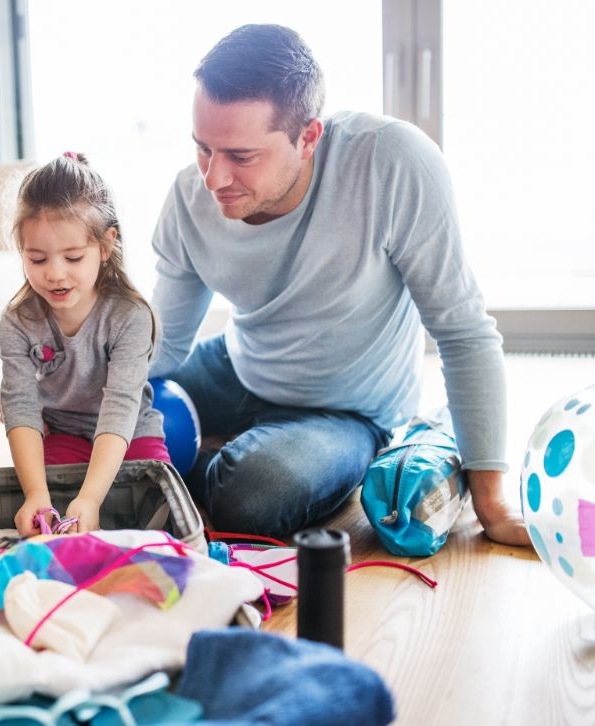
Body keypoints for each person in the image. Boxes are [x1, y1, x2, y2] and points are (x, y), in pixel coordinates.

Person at [150, 24, 528, 545]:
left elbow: (462, 332)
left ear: (307, 137)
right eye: (202, 149)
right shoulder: (191, 197)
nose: (213, 178)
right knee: (100, 411)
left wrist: (492, 501)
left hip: (347, 407)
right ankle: (224, 452)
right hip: (243, 362)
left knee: (251, 498)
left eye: (240, 156)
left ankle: (273, 457)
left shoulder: (392, 163)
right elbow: (164, 343)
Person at [0, 153, 170, 536]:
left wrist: (91, 498)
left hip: (130, 433)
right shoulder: (17, 320)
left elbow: (121, 405)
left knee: (158, 515)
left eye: (73, 257)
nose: (55, 274)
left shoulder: (130, 316)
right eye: (37, 258)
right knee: (48, 518)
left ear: (106, 246)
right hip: (61, 432)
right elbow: (20, 405)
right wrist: (36, 493)